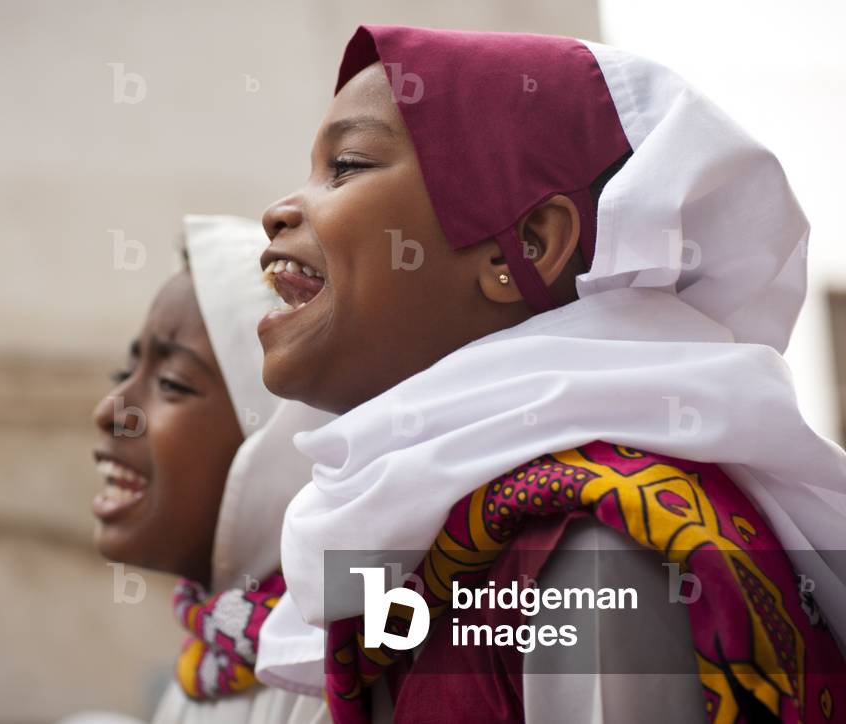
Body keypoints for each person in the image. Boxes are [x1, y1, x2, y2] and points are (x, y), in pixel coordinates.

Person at [253, 26, 846, 723]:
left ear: (527, 246)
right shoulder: (416, 543)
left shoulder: (592, 547)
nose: (278, 211)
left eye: (347, 165)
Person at [90, 215, 332, 724]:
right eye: (124, 374)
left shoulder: (327, 679)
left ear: (279, 446)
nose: (110, 410)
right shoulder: (213, 659)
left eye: (173, 384)